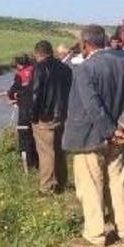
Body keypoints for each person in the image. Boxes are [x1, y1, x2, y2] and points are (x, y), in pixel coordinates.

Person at [63, 25, 124, 246]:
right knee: (118, 182)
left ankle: (95, 234)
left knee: (91, 185)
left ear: (85, 44)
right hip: (118, 137)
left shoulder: (85, 69)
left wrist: (109, 130)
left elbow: (92, 105)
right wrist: (123, 125)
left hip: (91, 136)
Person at [30, 40, 72, 194]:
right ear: (51, 51)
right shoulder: (65, 69)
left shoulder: (39, 68)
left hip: (45, 116)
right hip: (62, 113)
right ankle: (61, 182)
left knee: (46, 151)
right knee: (59, 149)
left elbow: (35, 94)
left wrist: (33, 117)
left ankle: (47, 186)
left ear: (37, 53)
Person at [8, 55, 39, 171]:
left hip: (25, 111)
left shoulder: (20, 75)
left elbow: (12, 92)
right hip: (38, 110)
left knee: (24, 137)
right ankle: (38, 163)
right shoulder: (36, 70)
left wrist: (14, 96)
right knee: (36, 137)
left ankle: (28, 166)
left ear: (19, 65)